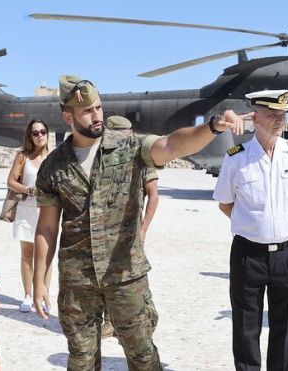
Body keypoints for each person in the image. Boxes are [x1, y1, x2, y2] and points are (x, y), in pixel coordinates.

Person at [32, 75, 244, 370]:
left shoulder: (128, 146)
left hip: (126, 276)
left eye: (98, 107)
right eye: (87, 111)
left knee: (143, 357)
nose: (97, 117)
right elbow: (46, 228)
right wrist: (38, 280)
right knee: (81, 360)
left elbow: (171, 145)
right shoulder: (53, 166)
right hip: (77, 281)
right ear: (68, 117)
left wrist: (212, 127)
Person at [213, 89, 288, 371]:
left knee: (283, 327)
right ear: (254, 117)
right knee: (245, 326)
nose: (279, 120)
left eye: (283, 114)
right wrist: (255, 226)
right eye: (272, 114)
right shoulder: (236, 158)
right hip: (248, 254)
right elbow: (225, 204)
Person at [101, 115, 161, 339]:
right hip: (105, 233)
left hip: (131, 233)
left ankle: (146, 318)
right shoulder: (103, 158)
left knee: (135, 277)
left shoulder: (141, 157)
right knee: (107, 276)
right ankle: (111, 322)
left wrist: (144, 229)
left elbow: (153, 196)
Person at [6, 119, 53, 313]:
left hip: (48, 210)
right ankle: (27, 295)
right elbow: (10, 182)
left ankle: (43, 295)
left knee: (46, 255)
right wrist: (29, 189)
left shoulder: (54, 157)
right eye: (35, 132)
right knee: (27, 254)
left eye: (43, 131)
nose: (40, 135)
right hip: (26, 209)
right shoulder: (23, 157)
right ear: (30, 136)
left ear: (48, 134)